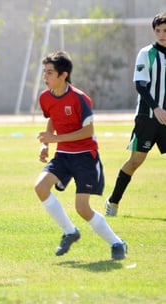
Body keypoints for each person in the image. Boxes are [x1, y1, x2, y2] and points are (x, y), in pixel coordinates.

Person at [34, 51, 127, 260]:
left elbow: (87, 131)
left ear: (63, 75)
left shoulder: (80, 98)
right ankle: (70, 231)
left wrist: (55, 139)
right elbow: (52, 118)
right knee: (40, 187)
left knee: (82, 208)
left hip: (85, 157)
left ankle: (117, 243)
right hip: (63, 156)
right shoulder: (45, 97)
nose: (45, 77)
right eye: (44, 72)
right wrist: (47, 144)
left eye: (50, 73)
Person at [105, 12, 166, 217]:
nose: (161, 34)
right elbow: (140, 84)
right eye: (158, 30)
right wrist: (156, 108)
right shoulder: (146, 53)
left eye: (165, 30)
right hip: (147, 118)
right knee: (135, 161)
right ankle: (113, 202)